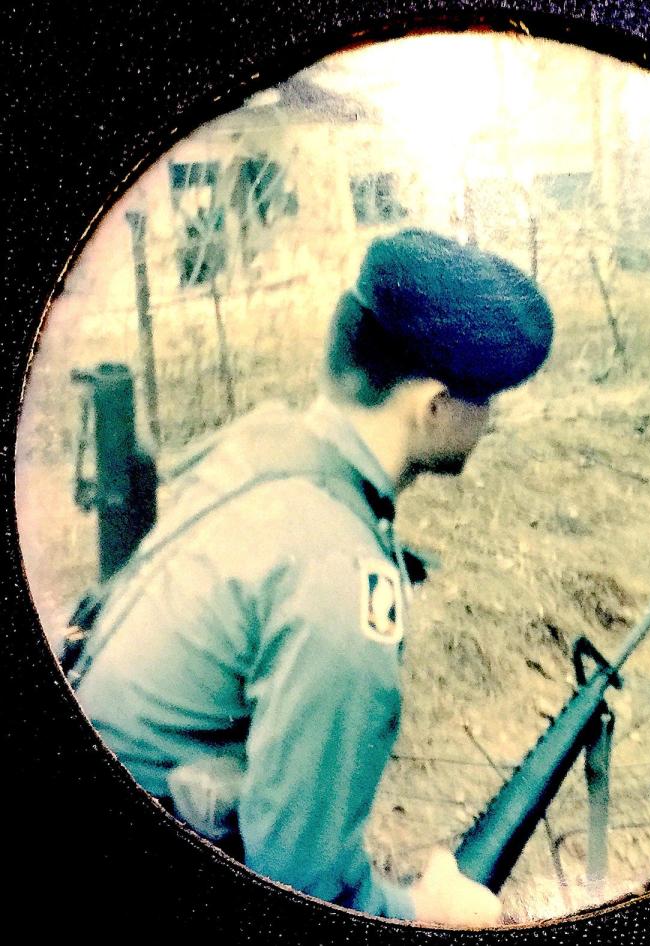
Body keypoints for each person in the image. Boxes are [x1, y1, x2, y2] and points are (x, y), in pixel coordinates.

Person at [70, 228, 554, 925]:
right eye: (486, 399)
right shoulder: (339, 580)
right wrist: (430, 912)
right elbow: (303, 888)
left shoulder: (267, 443)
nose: (491, 420)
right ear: (435, 407)